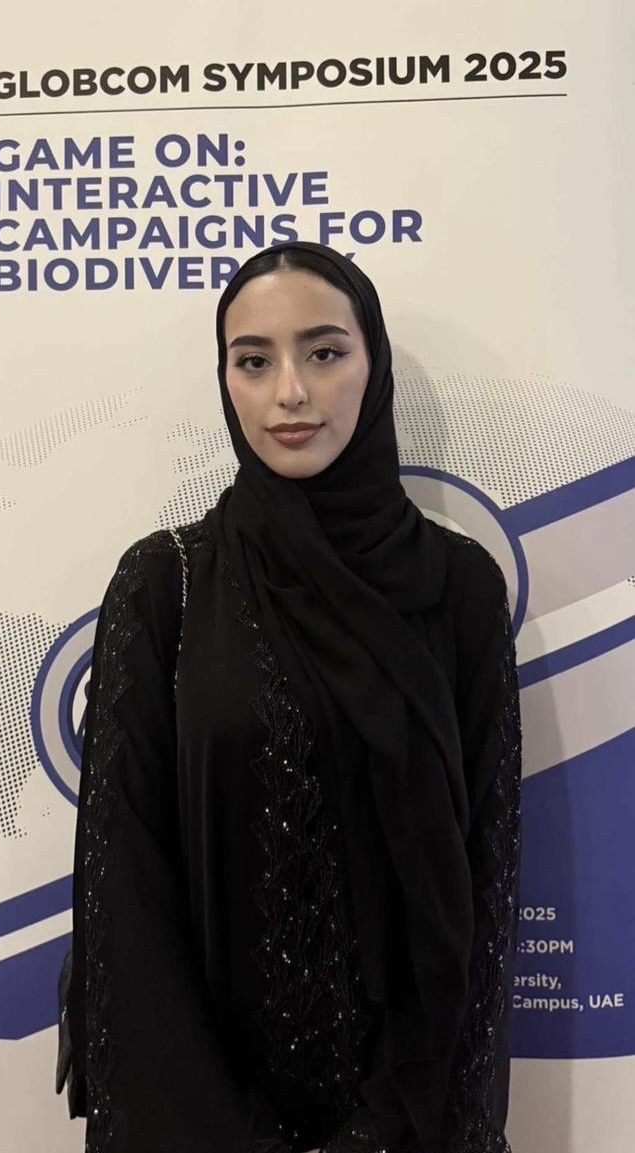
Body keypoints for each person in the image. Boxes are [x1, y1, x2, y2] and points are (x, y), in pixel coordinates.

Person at [60, 241, 522, 1153]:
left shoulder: (456, 587)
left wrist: (385, 1130)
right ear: (225, 380)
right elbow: (124, 893)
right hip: (199, 1122)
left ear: (371, 365)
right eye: (253, 360)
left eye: (324, 352)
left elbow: (484, 876)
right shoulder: (165, 586)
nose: (290, 393)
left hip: (410, 1118)